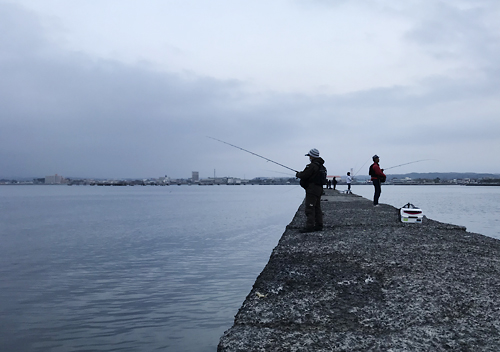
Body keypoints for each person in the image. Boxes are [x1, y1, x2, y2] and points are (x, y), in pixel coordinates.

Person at [296, 148, 325, 232]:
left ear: (312, 156)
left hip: (312, 189)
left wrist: (298, 174)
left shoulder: (312, 166)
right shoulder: (321, 166)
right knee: (317, 207)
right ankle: (319, 225)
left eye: (309, 156)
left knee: (310, 207)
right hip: (319, 189)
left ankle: (309, 227)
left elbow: (305, 175)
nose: (309, 157)